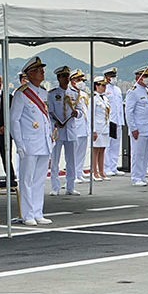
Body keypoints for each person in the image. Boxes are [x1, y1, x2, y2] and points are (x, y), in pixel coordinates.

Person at [11, 57, 54, 226]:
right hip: (29, 143)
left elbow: (46, 119)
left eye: (42, 70)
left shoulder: (44, 93)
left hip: (43, 142)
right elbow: (14, 120)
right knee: (26, 180)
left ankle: (38, 212)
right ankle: (27, 214)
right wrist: (19, 144)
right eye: (39, 70)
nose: (42, 72)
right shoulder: (22, 94)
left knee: (39, 180)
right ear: (30, 73)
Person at [47, 66, 83, 196]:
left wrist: (76, 113)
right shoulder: (52, 94)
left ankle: (70, 186)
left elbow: (81, 111)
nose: (66, 79)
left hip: (71, 130)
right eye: (63, 76)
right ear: (58, 78)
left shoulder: (74, 93)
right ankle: (55, 187)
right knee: (55, 160)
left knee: (71, 160)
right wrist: (54, 123)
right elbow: (49, 113)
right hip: (58, 130)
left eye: (67, 76)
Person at [125, 66, 148, 186]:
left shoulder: (147, 91)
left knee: (145, 154)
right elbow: (129, 112)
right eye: (146, 76)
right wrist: (133, 128)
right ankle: (136, 177)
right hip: (139, 128)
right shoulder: (133, 91)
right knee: (137, 154)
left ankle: (142, 176)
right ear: (139, 77)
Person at [69, 69, 90, 183]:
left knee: (82, 152)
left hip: (84, 126)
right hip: (75, 127)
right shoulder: (69, 93)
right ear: (72, 81)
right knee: (73, 153)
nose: (81, 82)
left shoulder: (84, 94)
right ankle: (73, 175)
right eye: (78, 80)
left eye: (82, 80)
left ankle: (79, 172)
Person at [104, 67, 126, 176]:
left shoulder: (117, 89)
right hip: (110, 121)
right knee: (108, 145)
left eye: (114, 76)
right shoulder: (105, 89)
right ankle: (107, 167)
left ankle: (114, 167)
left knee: (116, 146)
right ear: (106, 77)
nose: (113, 78)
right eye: (111, 76)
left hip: (118, 120)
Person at [91, 76, 111, 181]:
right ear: (96, 86)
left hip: (105, 127)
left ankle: (102, 171)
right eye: (102, 85)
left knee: (103, 149)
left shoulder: (105, 98)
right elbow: (92, 115)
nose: (104, 88)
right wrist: (93, 130)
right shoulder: (94, 98)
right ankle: (95, 172)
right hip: (98, 128)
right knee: (96, 150)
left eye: (105, 85)